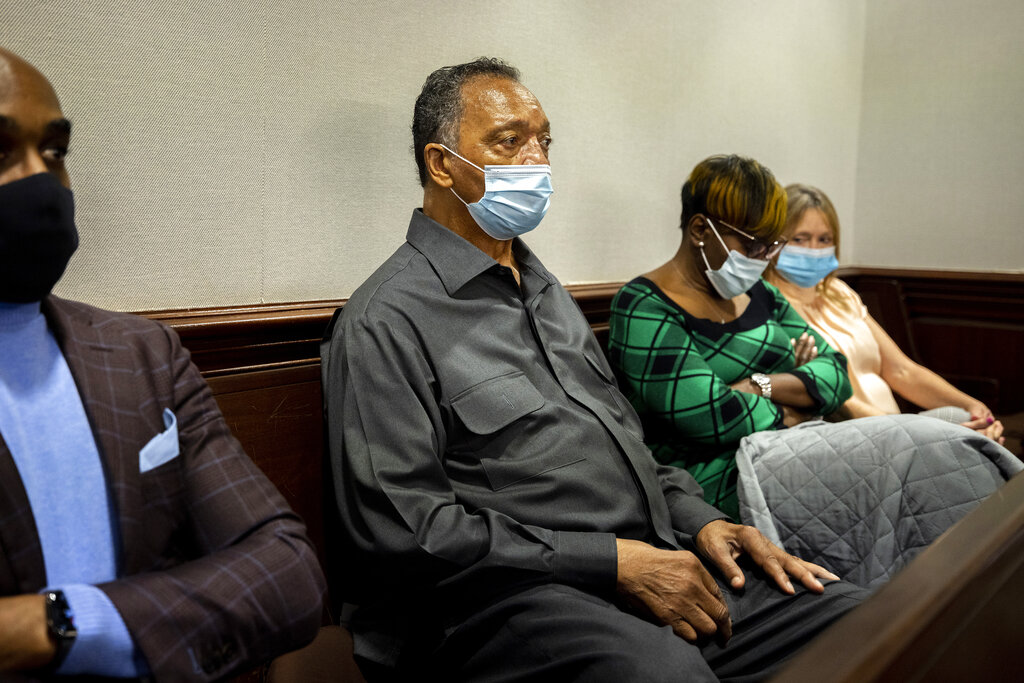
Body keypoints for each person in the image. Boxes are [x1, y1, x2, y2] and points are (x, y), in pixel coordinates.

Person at [323, 58, 866, 682]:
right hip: (499, 601)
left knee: (859, 619)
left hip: (647, 558)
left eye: (544, 140)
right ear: (443, 164)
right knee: (663, 675)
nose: (538, 161)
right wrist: (609, 562)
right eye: (508, 141)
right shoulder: (384, 320)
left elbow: (626, 448)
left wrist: (704, 520)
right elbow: (407, 532)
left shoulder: (544, 293)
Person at [0, 47, 325, 680]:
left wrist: (57, 626)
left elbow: (288, 571)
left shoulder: (142, 354)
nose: (41, 181)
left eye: (56, 152)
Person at [607, 155, 853, 518]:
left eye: (773, 246)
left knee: (924, 446)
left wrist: (759, 385)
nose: (763, 258)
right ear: (700, 231)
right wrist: (801, 401)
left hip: (796, 450)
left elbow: (837, 372)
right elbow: (713, 416)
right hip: (709, 481)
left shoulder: (761, 294)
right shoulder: (643, 306)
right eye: (753, 245)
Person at [767, 183, 1004, 443]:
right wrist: (905, 432)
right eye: (800, 239)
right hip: (852, 434)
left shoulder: (839, 293)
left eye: (824, 239)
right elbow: (834, 397)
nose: (814, 249)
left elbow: (902, 371)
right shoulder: (769, 305)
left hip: (895, 425)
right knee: (966, 444)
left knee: (966, 420)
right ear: (775, 242)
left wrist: (975, 407)